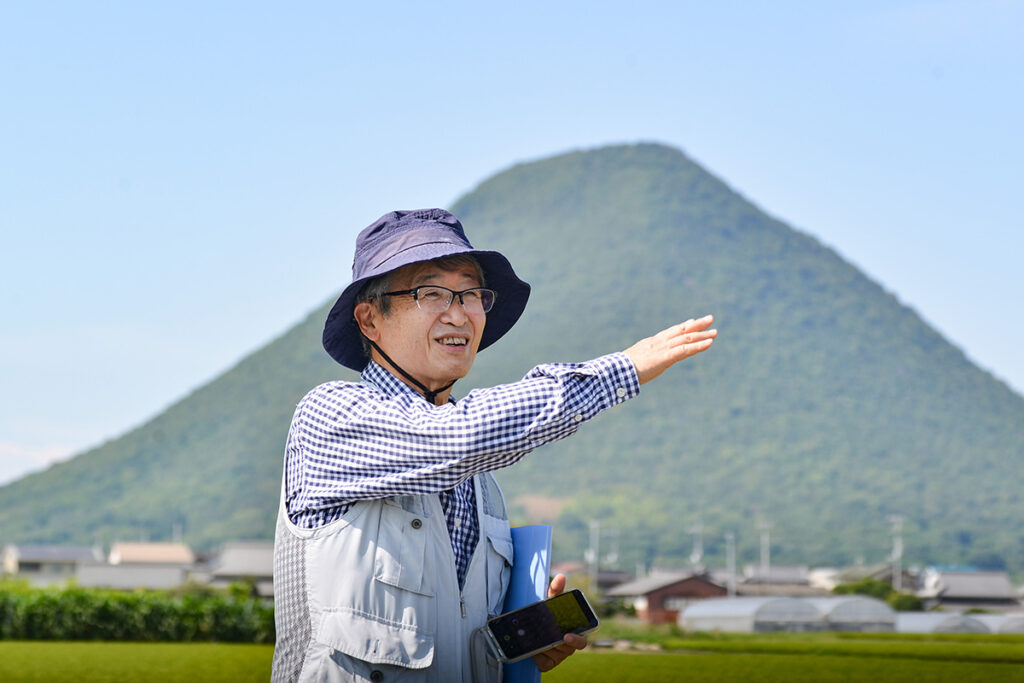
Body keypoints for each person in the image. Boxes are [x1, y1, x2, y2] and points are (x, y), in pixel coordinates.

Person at [272, 208, 716, 682]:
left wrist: (521, 648)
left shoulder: (482, 484)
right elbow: (454, 439)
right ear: (370, 320)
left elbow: (462, 632)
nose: (459, 313)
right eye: (433, 293)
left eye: (471, 294)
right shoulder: (331, 415)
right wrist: (620, 370)